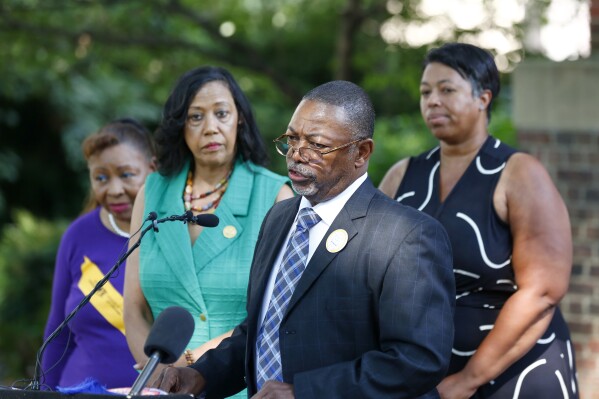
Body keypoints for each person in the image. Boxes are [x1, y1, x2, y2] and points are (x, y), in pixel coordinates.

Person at [153, 80, 455, 398]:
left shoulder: (407, 235)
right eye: (291, 139)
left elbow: (418, 360)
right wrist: (199, 375)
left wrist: (304, 393)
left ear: (361, 152)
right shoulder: (279, 218)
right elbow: (262, 331)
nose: (297, 155)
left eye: (317, 145)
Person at [379, 42, 578, 399]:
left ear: (483, 98)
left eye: (447, 90)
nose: (432, 101)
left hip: (516, 373)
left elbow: (542, 291)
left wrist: (467, 380)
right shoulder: (402, 176)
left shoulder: (518, 174)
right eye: (426, 92)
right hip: (427, 373)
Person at [123, 66, 294, 396]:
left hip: (241, 385)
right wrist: (155, 372)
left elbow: (275, 317)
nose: (210, 128)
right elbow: (133, 307)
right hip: (158, 387)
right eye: (195, 117)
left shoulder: (275, 196)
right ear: (180, 126)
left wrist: (186, 365)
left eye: (221, 113)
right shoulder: (152, 191)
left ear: (239, 118)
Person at [41, 118, 156, 389]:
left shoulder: (174, 230)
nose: (114, 190)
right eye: (101, 178)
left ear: (152, 169)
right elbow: (56, 335)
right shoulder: (78, 235)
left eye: (126, 175)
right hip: (76, 391)